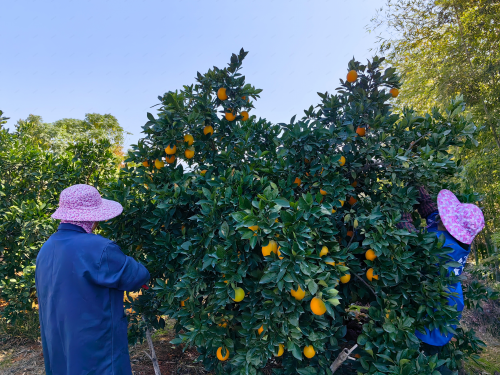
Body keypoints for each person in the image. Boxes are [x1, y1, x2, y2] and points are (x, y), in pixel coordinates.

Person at [35, 184, 150, 375]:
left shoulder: (46, 249)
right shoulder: (99, 248)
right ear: (92, 217)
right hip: (96, 350)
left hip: (59, 347)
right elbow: (137, 276)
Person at [397, 186, 485, 374]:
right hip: (450, 306)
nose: (442, 219)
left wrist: (402, 211)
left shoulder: (442, 245)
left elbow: (413, 240)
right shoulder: (460, 242)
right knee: (438, 349)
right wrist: (418, 189)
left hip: (434, 314)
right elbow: (433, 215)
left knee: (425, 357)